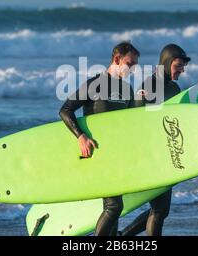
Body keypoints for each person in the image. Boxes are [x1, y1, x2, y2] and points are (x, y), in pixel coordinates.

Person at [59, 41, 140, 236]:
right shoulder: (96, 84)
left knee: (113, 209)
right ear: (117, 59)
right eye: (130, 64)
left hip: (116, 155)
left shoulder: (128, 90)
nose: (133, 69)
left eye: (135, 65)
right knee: (114, 206)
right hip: (98, 155)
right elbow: (65, 110)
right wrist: (81, 136)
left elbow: (130, 125)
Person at [121, 43, 191, 236]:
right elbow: (136, 122)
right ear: (167, 63)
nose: (182, 70)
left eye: (183, 66)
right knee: (160, 210)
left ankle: (121, 237)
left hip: (165, 154)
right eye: (178, 65)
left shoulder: (174, 88)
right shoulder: (149, 86)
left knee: (161, 210)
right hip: (152, 156)